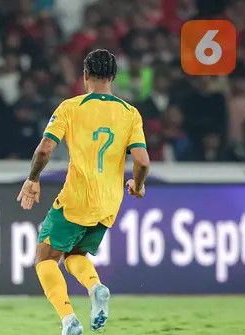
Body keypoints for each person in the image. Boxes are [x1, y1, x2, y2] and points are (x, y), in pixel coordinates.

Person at [16, 49, 150, 335]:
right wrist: (137, 186)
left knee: (45, 258)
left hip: (77, 197)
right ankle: (95, 287)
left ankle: (68, 320)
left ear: (85, 76)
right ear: (114, 77)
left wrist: (33, 179)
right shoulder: (130, 114)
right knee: (75, 254)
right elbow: (142, 161)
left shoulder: (71, 107)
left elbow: (45, 148)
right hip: (109, 204)